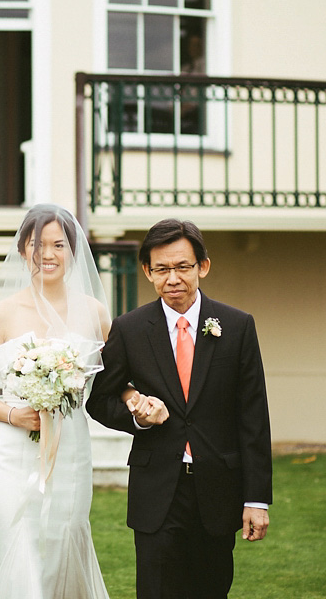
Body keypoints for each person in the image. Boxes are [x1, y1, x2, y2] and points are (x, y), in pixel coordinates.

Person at [86, 219, 272, 599]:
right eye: (162, 269)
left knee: (211, 590)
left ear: (202, 266)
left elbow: (253, 416)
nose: (173, 278)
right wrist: (138, 417)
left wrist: (256, 499)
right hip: (157, 491)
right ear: (148, 272)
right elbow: (100, 399)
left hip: (218, 488)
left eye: (182, 267)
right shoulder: (130, 329)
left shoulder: (237, 326)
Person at [0, 204, 112, 598]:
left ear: (72, 252)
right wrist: (14, 414)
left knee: (64, 536)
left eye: (58, 244)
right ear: (23, 250)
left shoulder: (95, 313)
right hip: (11, 450)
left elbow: (115, 380)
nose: (48, 254)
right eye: (37, 244)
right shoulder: (2, 313)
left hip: (70, 446)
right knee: (14, 535)